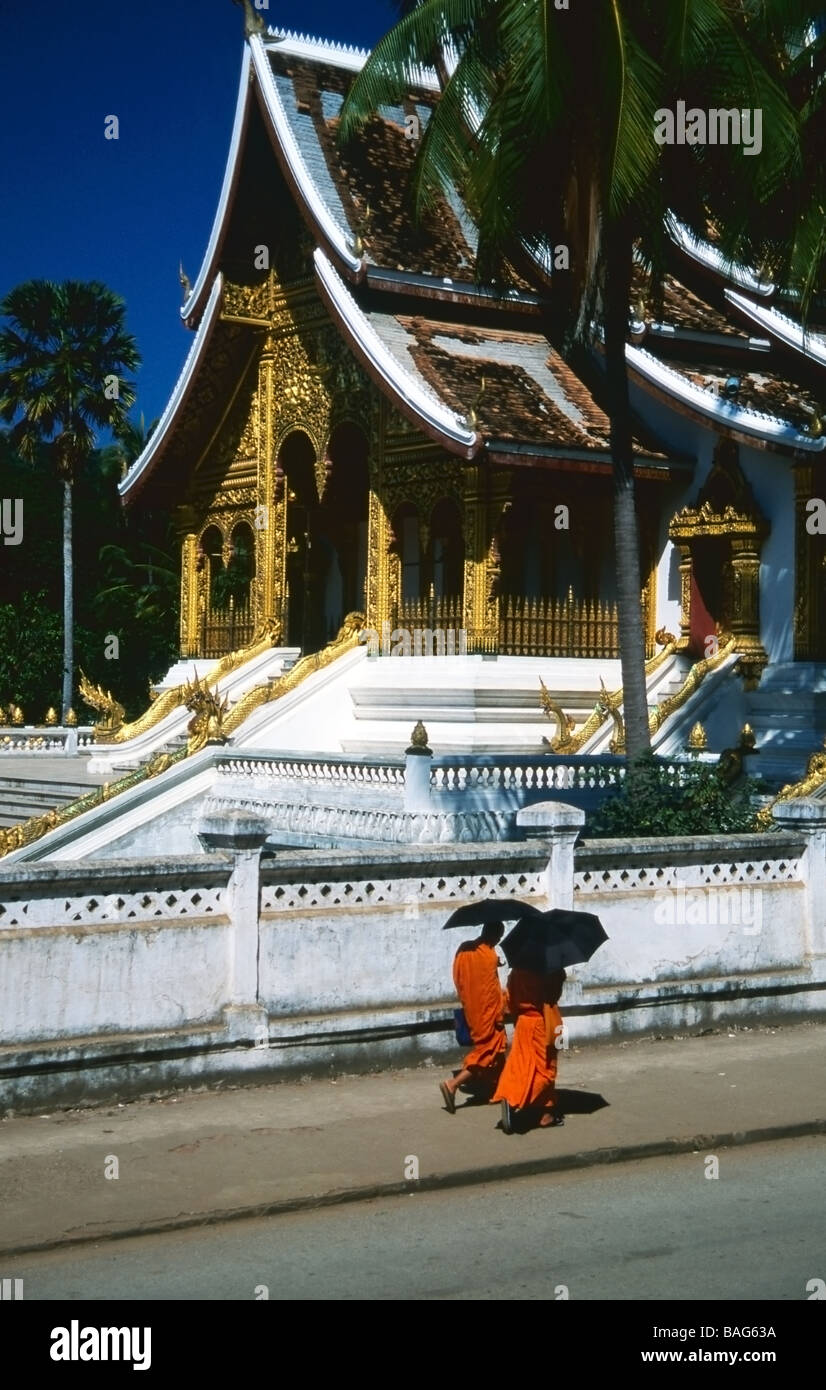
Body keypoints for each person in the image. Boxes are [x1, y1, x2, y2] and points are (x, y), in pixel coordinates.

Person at [440, 922, 507, 1113]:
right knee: (488, 1052)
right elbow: (492, 992)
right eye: (499, 937)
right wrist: (500, 1013)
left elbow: (459, 977)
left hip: (471, 1009)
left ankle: (498, 1090)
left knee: (495, 1052)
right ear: (495, 936)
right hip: (488, 1014)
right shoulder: (488, 956)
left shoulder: (464, 949)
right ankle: (452, 1084)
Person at [493, 966, 567, 1133]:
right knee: (547, 1070)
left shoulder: (516, 972)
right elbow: (554, 995)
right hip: (544, 1022)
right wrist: (559, 972)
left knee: (522, 1065)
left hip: (522, 1023)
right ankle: (513, 1098)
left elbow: (510, 1000)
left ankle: (546, 1114)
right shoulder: (549, 970)